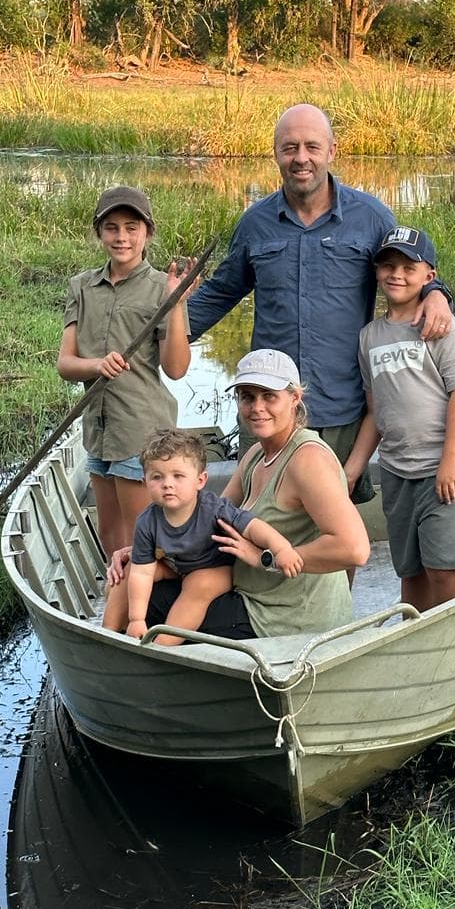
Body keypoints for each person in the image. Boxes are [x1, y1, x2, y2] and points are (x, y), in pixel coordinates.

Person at [185, 103, 453, 500]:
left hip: (342, 405)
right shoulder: (255, 223)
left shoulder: (371, 217)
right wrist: (161, 334)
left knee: (337, 527)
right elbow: (222, 292)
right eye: (289, 148)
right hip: (270, 406)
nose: (301, 158)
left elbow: (407, 269)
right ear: (276, 153)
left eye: (312, 146)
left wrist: (436, 293)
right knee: (261, 515)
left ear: (332, 150)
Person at [107, 349, 370, 640]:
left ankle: (139, 664)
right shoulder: (259, 453)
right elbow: (209, 516)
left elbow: (354, 549)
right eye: (247, 396)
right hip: (251, 594)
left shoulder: (307, 460)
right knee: (132, 576)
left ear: (295, 398)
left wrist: (265, 558)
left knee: (146, 602)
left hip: (283, 618)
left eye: (269, 396)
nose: (257, 407)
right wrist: (150, 547)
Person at [344, 226, 455, 610]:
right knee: (410, 571)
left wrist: (450, 460)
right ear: (376, 272)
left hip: (450, 468)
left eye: (408, 268)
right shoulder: (369, 337)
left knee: (442, 568)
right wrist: (353, 469)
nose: (397, 275)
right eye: (388, 265)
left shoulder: (441, 327)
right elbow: (376, 412)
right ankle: (415, 639)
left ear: (429, 276)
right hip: (397, 471)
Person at [56, 186, 195, 558]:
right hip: (98, 429)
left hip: (140, 429)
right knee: (109, 533)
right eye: (112, 228)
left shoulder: (160, 289)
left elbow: (177, 368)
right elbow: (65, 363)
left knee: (138, 540)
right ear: (99, 232)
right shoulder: (81, 287)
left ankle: (138, 612)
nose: (122, 237)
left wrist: (176, 304)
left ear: (147, 233)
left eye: (132, 228)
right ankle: (118, 600)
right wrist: (96, 365)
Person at [102, 428, 303, 646]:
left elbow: (253, 527)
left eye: (178, 476)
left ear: (200, 480)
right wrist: (137, 618)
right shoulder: (147, 521)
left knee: (200, 584)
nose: (167, 484)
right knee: (129, 571)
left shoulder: (214, 509)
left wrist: (282, 548)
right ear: (145, 481)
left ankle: (163, 644)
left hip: (215, 569)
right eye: (157, 477)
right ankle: (107, 636)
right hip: (177, 568)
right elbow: (142, 574)